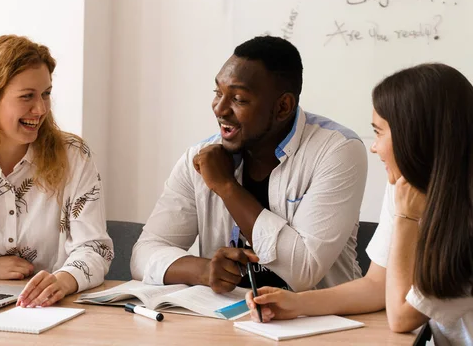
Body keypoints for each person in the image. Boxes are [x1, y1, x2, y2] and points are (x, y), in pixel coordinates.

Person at [245, 63, 473, 345]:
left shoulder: (437, 210)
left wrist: (405, 219)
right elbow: (377, 285)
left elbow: (401, 317)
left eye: (379, 133)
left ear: (414, 137)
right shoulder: (405, 188)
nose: (374, 147)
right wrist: (296, 304)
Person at [130, 36, 368, 293]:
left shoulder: (337, 150)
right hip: (230, 318)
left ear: (283, 107)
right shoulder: (200, 158)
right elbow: (143, 254)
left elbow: (303, 272)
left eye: (239, 99)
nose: (220, 109)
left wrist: (226, 186)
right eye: (218, 93)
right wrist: (204, 270)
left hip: (323, 321)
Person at [0, 35, 113, 308]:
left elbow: (95, 247)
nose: (41, 109)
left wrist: (64, 279)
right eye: (27, 96)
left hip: (51, 311)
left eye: (46, 94)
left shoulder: (73, 157)